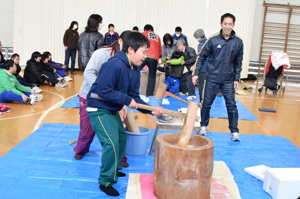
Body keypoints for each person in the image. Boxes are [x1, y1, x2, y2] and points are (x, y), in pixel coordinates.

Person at [86, 32, 163, 196]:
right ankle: (106, 181)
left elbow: (134, 97)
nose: (145, 56)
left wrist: (151, 109)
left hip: (111, 107)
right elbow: (103, 91)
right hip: (98, 107)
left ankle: (115, 169)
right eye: (143, 51)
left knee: (121, 138)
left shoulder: (134, 68)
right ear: (130, 49)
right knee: (111, 143)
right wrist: (126, 100)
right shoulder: (114, 65)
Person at [74, 31, 132, 169]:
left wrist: (122, 103)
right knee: (87, 129)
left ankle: (120, 157)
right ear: (120, 42)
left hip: (111, 99)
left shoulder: (128, 61)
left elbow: (124, 85)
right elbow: (88, 73)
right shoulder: (102, 54)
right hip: (91, 96)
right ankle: (81, 149)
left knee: (117, 130)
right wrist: (102, 88)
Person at [192, 13, 243, 141]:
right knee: (206, 103)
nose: (227, 26)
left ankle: (235, 131)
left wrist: (236, 78)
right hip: (212, 78)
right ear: (221, 24)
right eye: (225, 23)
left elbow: (238, 62)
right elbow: (201, 56)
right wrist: (196, 73)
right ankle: (203, 126)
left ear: (233, 25)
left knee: (231, 105)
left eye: (230, 24)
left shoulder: (238, 41)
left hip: (228, 79)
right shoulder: (213, 39)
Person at [139, 24, 162, 96]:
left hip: (144, 55)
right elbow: (160, 52)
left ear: (145, 30)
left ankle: (129, 90)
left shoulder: (144, 33)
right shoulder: (157, 36)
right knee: (152, 76)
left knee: (134, 71)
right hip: (154, 57)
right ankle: (149, 95)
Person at [192, 29, 207, 104]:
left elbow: (200, 58)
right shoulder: (208, 42)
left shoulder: (201, 44)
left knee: (201, 86)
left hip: (203, 68)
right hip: (209, 68)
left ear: (198, 36)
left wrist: (195, 67)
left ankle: (201, 101)